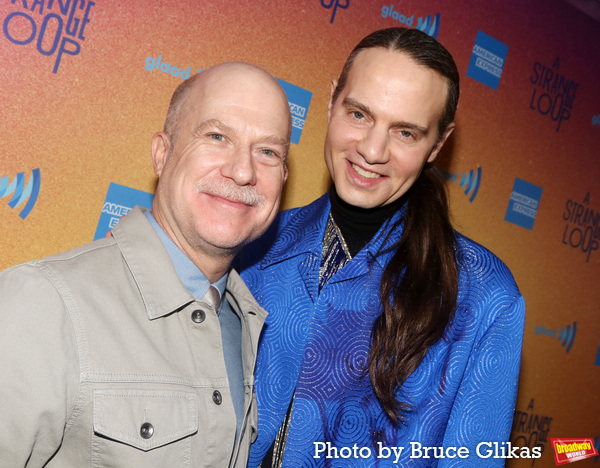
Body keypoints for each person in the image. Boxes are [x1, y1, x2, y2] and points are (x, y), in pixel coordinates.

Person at [238, 28, 525, 467]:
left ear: (438, 144)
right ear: (333, 101)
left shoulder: (485, 296)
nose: (372, 150)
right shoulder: (249, 244)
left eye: (406, 132)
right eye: (358, 114)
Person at [0, 62, 291, 467]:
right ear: (162, 154)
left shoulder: (244, 321)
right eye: (217, 136)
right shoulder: (45, 303)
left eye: (267, 151)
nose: (243, 171)